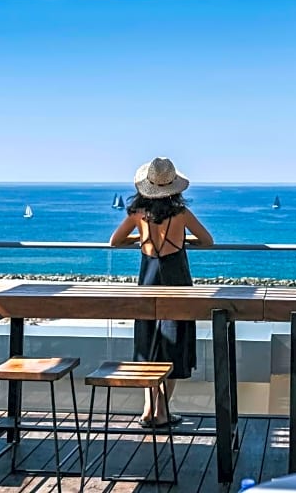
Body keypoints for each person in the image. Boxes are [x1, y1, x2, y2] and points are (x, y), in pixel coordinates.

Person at [109, 157, 214, 428]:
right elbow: (207, 241)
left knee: (148, 346)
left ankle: (148, 410)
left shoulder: (138, 214)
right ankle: (163, 410)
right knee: (174, 346)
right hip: (177, 283)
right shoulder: (181, 214)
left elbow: (114, 241)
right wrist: (182, 240)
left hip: (148, 282)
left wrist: (141, 237)